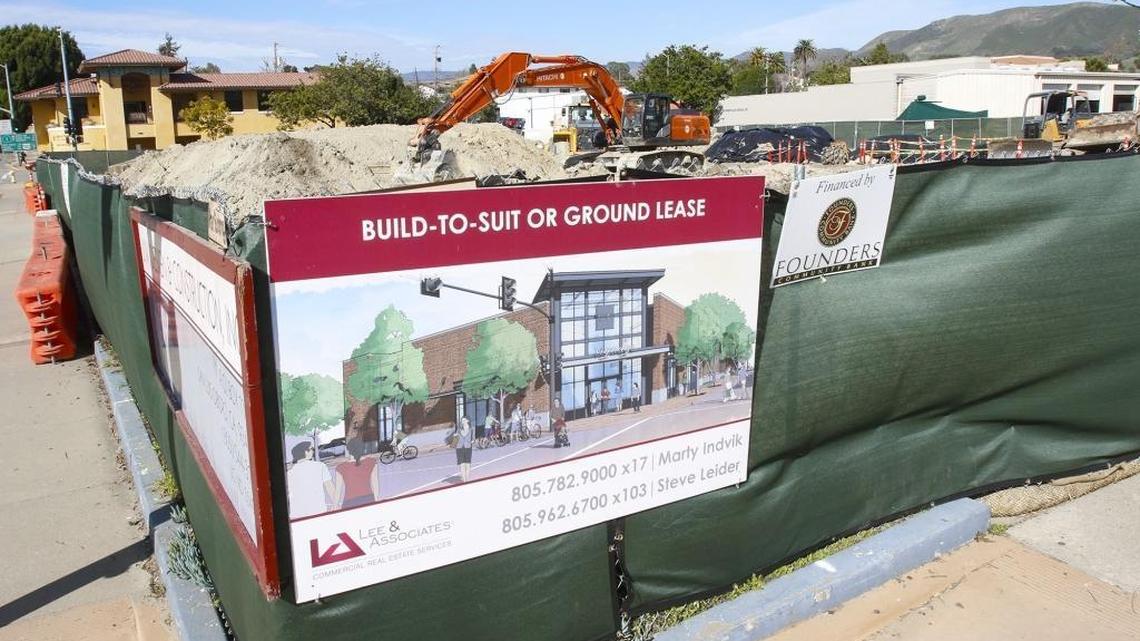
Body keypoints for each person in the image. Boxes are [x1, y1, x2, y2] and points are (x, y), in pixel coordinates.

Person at [286, 441, 335, 518]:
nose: (313, 451)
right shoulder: (320, 466)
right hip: (318, 510)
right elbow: (330, 488)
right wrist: (335, 504)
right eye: (311, 449)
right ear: (306, 452)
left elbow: (288, 495)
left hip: (297, 513)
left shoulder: (289, 473)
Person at [334, 438, 380, 509]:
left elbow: (338, 491)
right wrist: (376, 500)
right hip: (368, 499)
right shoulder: (371, 462)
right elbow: (375, 483)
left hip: (349, 502)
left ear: (348, 450)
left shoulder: (340, 467)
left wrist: (335, 507)